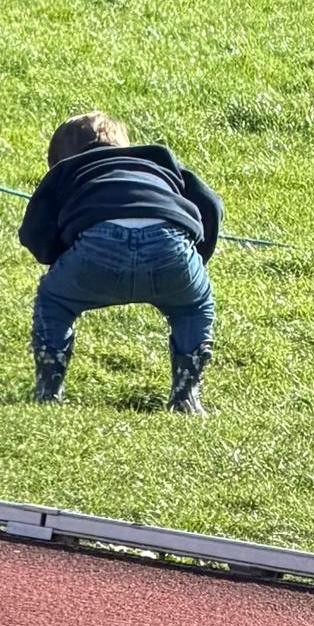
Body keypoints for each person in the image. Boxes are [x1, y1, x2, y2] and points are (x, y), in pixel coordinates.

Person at [19, 112, 222, 414]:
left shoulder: (66, 171)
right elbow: (211, 204)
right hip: (170, 244)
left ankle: (49, 392)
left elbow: (34, 232)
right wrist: (197, 256)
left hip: (98, 245)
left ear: (58, 158)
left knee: (54, 300)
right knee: (194, 305)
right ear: (125, 145)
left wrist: (59, 256)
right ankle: (186, 396)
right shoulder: (159, 160)